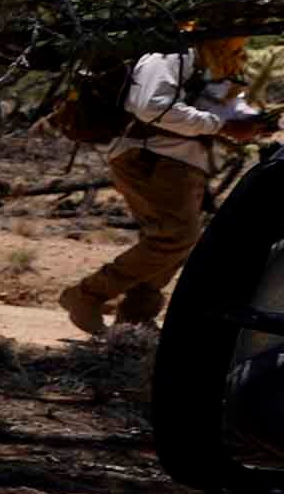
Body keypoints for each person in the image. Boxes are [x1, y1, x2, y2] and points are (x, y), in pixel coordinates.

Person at [63, 32, 273, 336]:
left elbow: (221, 106)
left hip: (183, 161)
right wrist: (221, 125)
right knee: (174, 238)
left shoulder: (220, 60)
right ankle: (88, 295)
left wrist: (252, 122)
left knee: (176, 239)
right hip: (150, 155)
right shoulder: (173, 52)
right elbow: (149, 106)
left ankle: (136, 316)